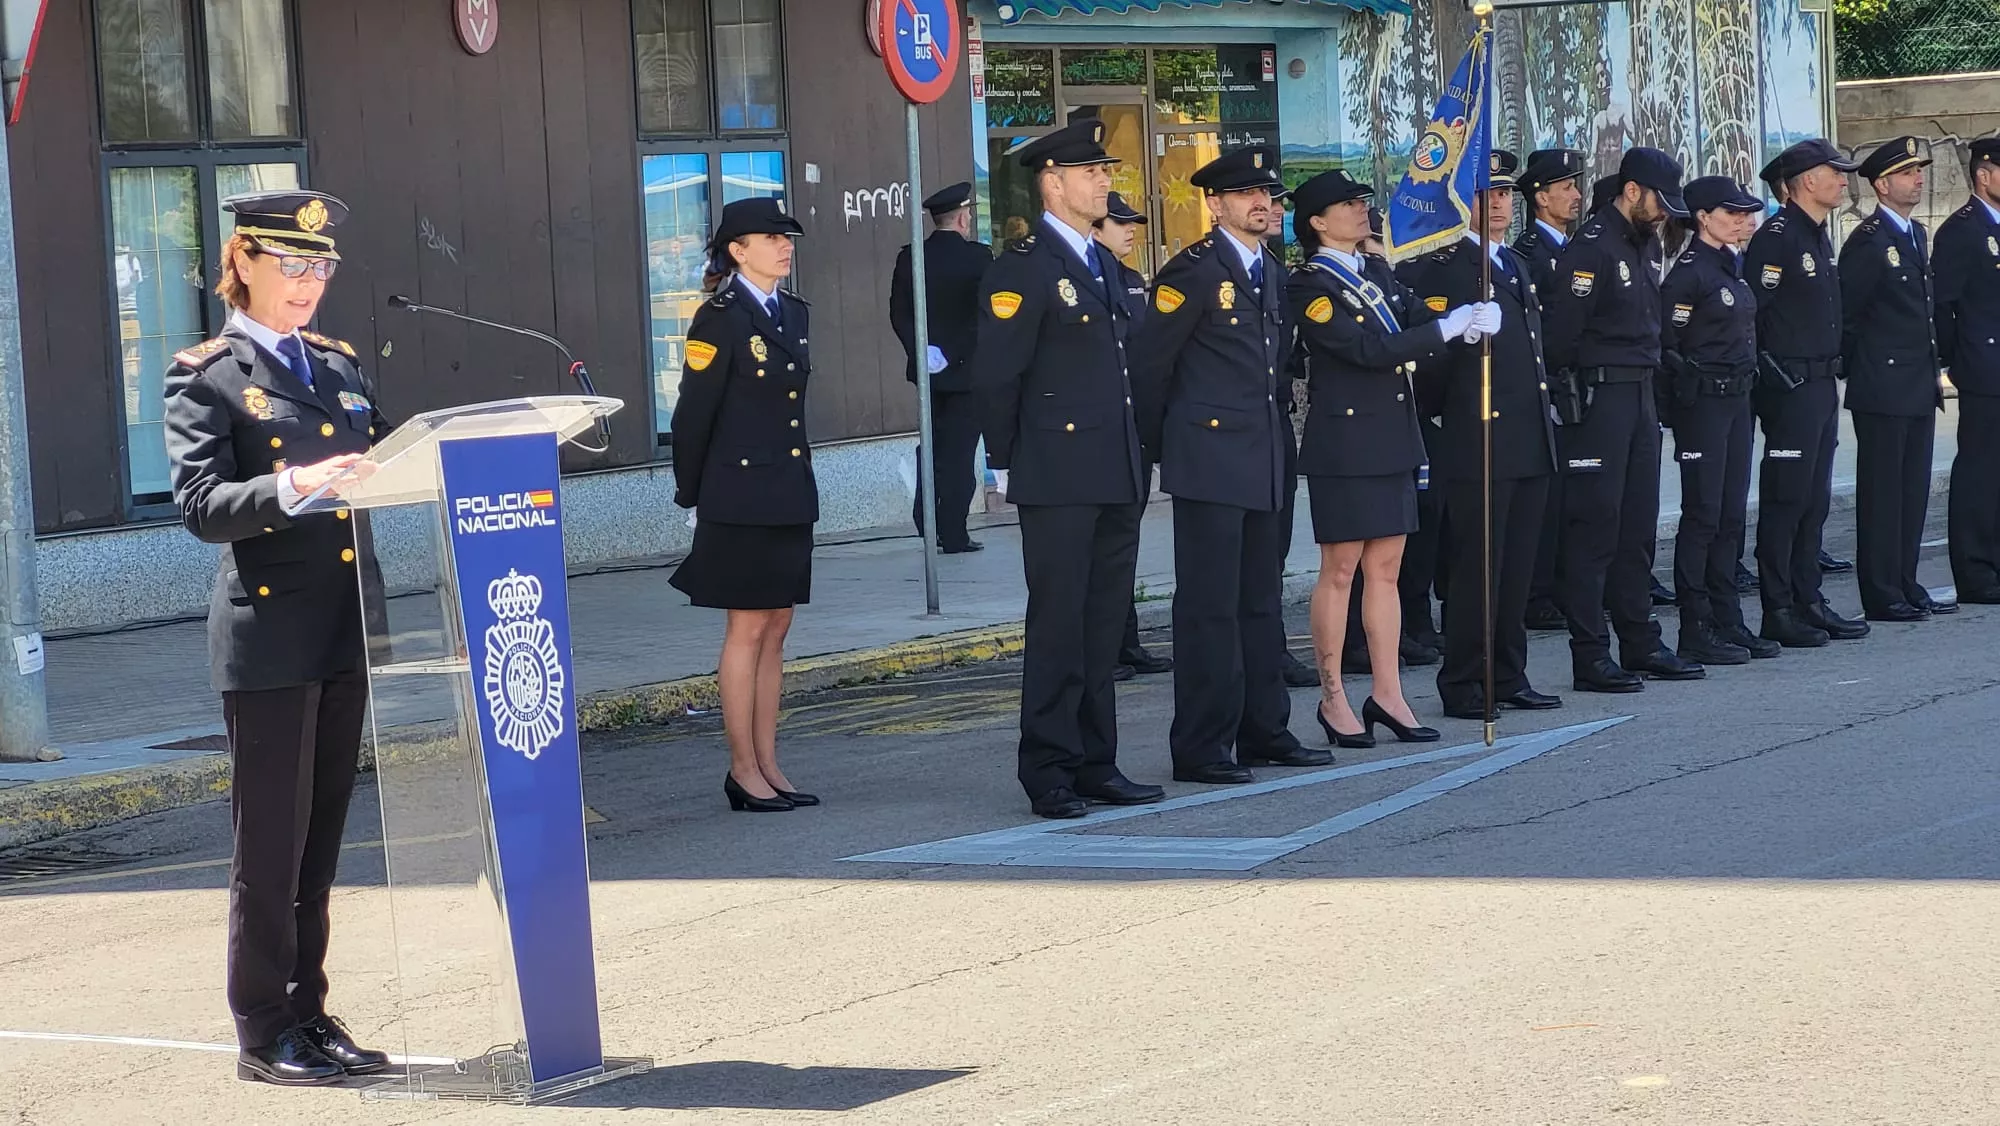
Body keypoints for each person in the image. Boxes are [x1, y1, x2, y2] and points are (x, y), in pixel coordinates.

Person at [163, 191, 392, 1086]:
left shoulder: (337, 363)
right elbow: (200, 506)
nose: (309, 285)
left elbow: (388, 455)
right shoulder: (207, 374)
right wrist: (294, 486)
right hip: (268, 636)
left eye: (322, 268)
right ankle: (263, 1027)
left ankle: (308, 1007)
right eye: (292, 266)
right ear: (244, 262)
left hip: (344, 626)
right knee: (269, 848)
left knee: (322, 838)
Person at [972, 119, 1164, 818]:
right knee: (1058, 624)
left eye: (1105, 171)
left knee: (1103, 621)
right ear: (1052, 183)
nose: (1104, 181)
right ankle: (1048, 768)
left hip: (1115, 468)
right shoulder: (1024, 269)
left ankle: (1096, 761)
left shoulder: (1104, 264)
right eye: (1091, 173)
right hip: (1055, 470)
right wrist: (1001, 464)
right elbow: (997, 376)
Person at [1132, 146, 1327, 784]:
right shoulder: (1191, 271)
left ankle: (1264, 729)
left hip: (1265, 456)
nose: (1263, 205)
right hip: (1210, 460)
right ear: (1214, 204)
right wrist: (1170, 450)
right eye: (1247, 195)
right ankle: (1202, 744)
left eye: (1268, 195)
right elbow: (1150, 369)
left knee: (1260, 604)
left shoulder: (1270, 270)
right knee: (1209, 610)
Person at [1288, 168, 1487, 746]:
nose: (1361, 212)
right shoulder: (1309, 285)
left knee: (1387, 572)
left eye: (1361, 203)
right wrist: (1443, 332)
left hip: (1393, 437)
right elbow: (1364, 350)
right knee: (1342, 570)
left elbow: (1413, 312)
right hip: (1345, 445)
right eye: (1348, 205)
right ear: (1318, 222)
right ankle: (1333, 698)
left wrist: (1466, 317)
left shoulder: (1374, 270)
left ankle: (1388, 692)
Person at [670, 197, 821, 813]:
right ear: (738, 250)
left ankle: (767, 760)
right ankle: (741, 768)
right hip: (736, 492)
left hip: (785, 487)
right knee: (748, 625)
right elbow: (693, 414)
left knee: (778, 624)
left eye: (788, 237)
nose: (785, 246)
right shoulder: (720, 318)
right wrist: (693, 495)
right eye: (770, 238)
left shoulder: (792, 312)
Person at [1402, 151, 1564, 720]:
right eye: (1486, 194)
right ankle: (1467, 679)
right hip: (1479, 439)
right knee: (1477, 567)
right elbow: (1428, 360)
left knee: (1516, 566)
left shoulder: (1513, 264)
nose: (1499, 203)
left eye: (1504, 195)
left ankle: (1507, 670)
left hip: (1525, 437)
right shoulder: (1445, 267)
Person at [1540, 148, 1706, 692]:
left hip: (1638, 396)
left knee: (1637, 527)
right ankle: (1590, 655)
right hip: (1599, 400)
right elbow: (1561, 338)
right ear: (1632, 191)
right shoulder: (1592, 248)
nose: (1665, 213)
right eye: (1659, 201)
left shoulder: (1637, 243)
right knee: (1594, 528)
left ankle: (1639, 641)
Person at [1745, 139, 1871, 647]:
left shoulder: (1817, 234)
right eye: (1834, 173)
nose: (1844, 181)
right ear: (1804, 181)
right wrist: (1773, 374)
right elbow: (1755, 310)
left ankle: (1808, 598)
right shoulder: (1777, 236)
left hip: (1820, 382)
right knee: (1786, 498)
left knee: (1813, 500)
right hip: (1790, 382)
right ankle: (1778, 608)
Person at [1659, 176, 1783, 665]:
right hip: (1704, 404)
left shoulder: (1732, 267)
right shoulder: (1690, 273)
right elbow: (1669, 345)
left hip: (1736, 401)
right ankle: (1697, 626)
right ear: (1703, 217)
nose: (1744, 221)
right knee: (1704, 514)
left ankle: (1729, 620)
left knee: (1731, 515)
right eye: (1732, 214)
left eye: (1746, 213)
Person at [1841, 137, 1955, 622]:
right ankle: (1882, 590)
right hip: (1883, 384)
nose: (1919, 178)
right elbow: (1848, 316)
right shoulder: (1868, 241)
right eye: (1908, 172)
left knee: (1911, 492)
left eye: (1919, 171)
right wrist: (1863, 370)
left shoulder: (1915, 234)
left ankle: (1905, 580)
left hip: (1915, 381)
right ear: (1882, 185)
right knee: (1883, 493)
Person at [1092, 192, 1175, 681]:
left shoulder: (1129, 278)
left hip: (1135, 432)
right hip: (1101, 431)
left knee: (1124, 544)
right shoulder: (1091, 277)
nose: (1130, 230)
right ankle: (1104, 647)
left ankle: (1126, 642)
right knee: (1103, 549)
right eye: (1119, 222)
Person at [892, 181, 993, 554]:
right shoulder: (979, 259)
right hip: (966, 374)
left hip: (928, 373)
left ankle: (927, 519)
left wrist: (923, 351)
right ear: (964, 217)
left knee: (933, 448)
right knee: (961, 453)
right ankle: (953, 531)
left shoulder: (911, 256)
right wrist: (955, 354)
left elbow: (899, 313)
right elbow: (982, 317)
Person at [1514, 148, 1587, 632]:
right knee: (1550, 500)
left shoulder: (1575, 247)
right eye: (1566, 188)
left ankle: (1564, 585)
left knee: (1576, 499)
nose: (1577, 196)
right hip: (1551, 388)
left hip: (1580, 390)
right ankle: (1539, 594)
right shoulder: (1530, 255)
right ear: (1540, 198)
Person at [1937, 137, 2000, 602]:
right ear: (1984, 174)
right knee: (1980, 470)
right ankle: (1976, 573)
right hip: (1984, 366)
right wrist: (1958, 362)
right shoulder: (1963, 230)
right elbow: (1944, 306)